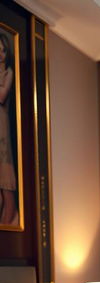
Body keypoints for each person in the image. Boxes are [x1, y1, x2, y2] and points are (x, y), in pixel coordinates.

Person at [0, 32, 17, 227]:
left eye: (4, 51)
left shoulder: (9, 72)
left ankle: (9, 219)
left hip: (2, 127)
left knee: (5, 181)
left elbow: (2, 96)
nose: (1, 54)